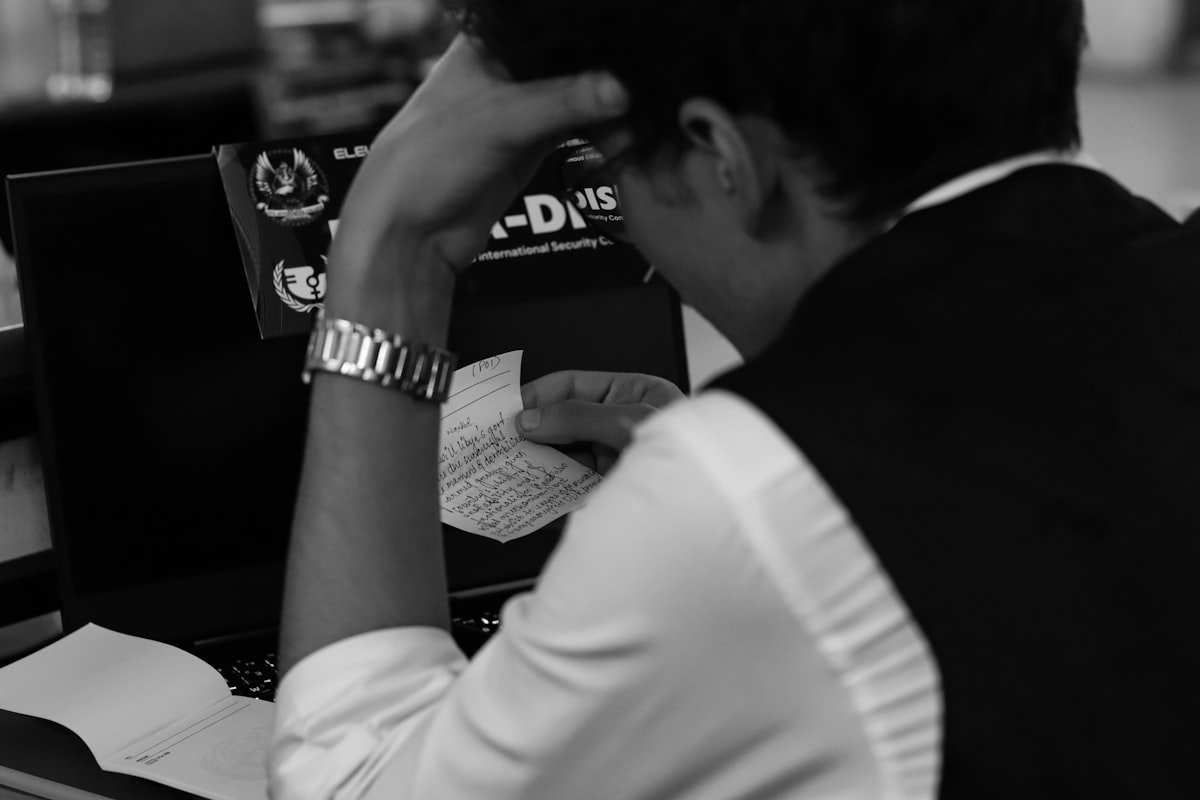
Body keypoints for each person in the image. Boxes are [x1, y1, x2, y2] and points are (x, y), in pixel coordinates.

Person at [269, 1, 1200, 798]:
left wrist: (392, 254)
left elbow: (355, 776)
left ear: (722, 157)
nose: (633, 238)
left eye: (607, 168)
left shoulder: (750, 492)